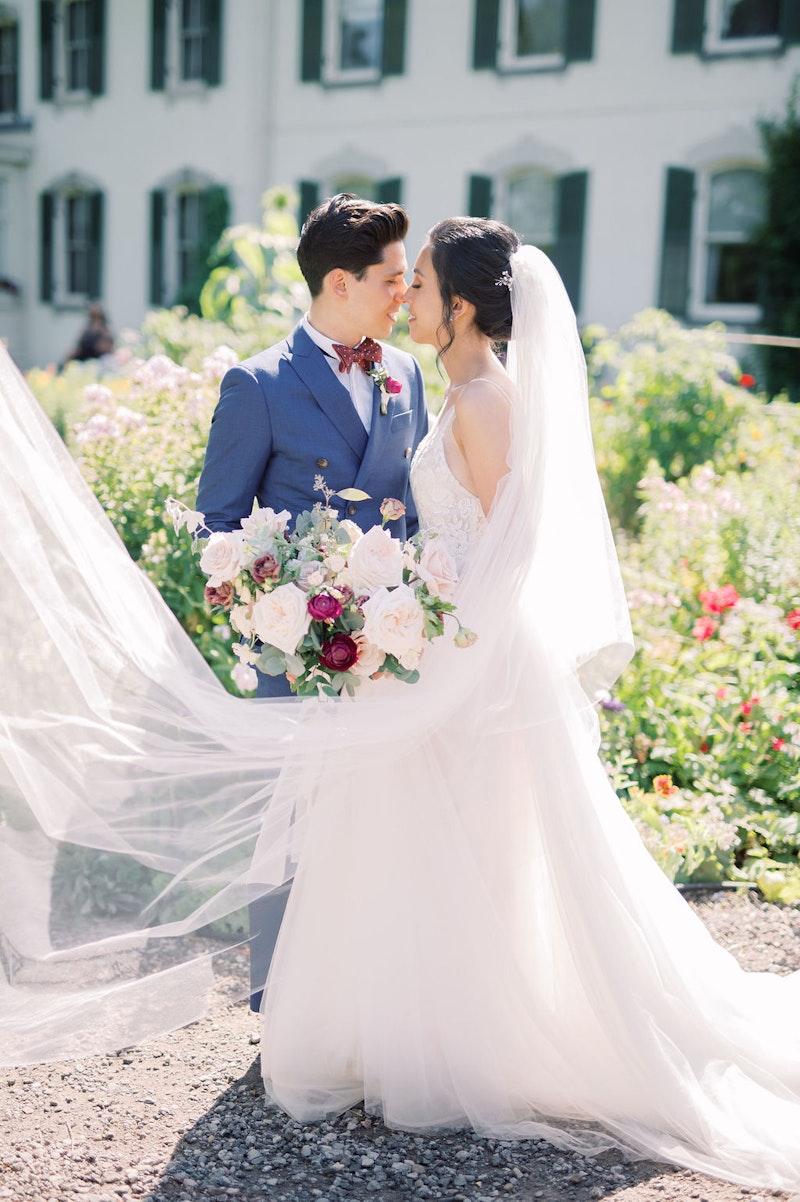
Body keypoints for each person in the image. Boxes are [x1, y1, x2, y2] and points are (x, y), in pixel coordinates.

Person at [0, 218, 799, 1195]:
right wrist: (346, 609)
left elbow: (509, 555)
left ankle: (455, 1036)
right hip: (384, 653)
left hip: (446, 668)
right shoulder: (334, 385)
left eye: (415, 283)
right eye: (394, 278)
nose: (403, 297)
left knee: (453, 856)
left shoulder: (463, 394)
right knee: (389, 851)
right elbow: (301, 525)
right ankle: (386, 1024)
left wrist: (411, 625)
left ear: (458, 305)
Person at [195, 192, 428, 1010]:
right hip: (296, 648)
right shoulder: (257, 383)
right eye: (394, 279)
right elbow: (213, 522)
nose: (407, 293)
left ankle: (370, 1004)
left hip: (392, 648)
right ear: (340, 282)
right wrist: (271, 593)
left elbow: (418, 509)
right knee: (289, 828)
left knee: (382, 823)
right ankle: (282, 1003)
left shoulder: (405, 373)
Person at [62, 302, 115, 366]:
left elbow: (108, 347)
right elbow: (80, 344)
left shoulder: (105, 330)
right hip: (85, 355)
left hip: (99, 358)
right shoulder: (88, 329)